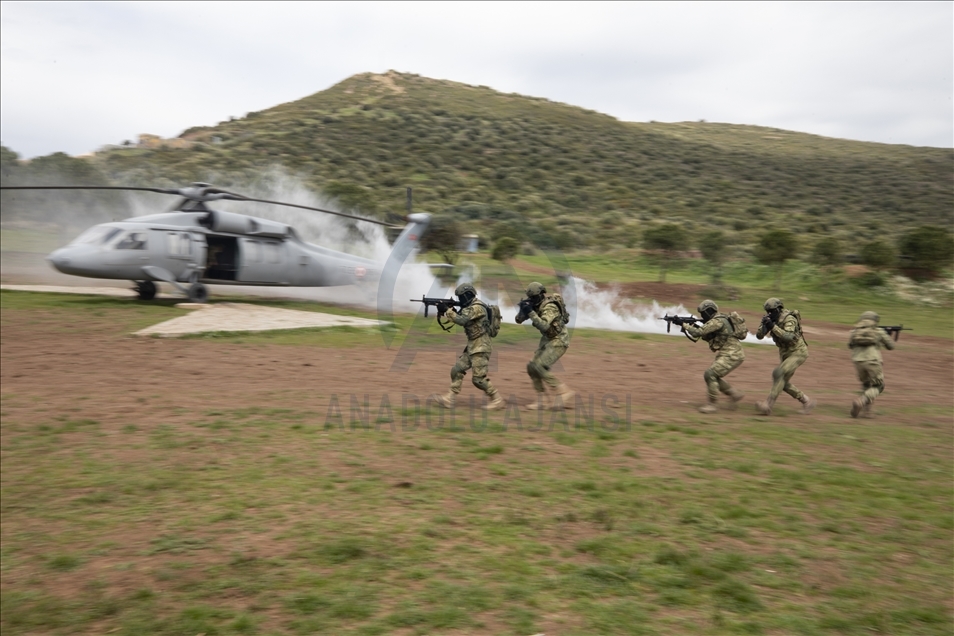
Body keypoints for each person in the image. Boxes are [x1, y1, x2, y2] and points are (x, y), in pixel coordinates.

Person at [433, 283, 504, 410]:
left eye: (461, 297)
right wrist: (450, 311)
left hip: (481, 347)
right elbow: (462, 317)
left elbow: (462, 320)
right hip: (472, 346)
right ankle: (449, 399)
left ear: (468, 295)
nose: (460, 300)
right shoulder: (470, 308)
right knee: (457, 370)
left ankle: (497, 399)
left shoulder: (477, 308)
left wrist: (447, 310)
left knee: (478, 379)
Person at [516, 282, 574, 410]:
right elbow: (518, 320)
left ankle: (563, 391)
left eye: (533, 297)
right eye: (530, 297)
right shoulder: (536, 304)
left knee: (539, 366)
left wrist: (530, 312)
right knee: (531, 367)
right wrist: (523, 310)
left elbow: (544, 325)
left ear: (541, 295)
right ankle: (541, 399)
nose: (532, 299)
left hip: (559, 340)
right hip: (547, 340)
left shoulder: (550, 307)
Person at [681, 299, 746, 413]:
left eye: (703, 313)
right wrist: (691, 326)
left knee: (710, 374)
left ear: (709, 311)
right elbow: (705, 334)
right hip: (730, 353)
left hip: (732, 354)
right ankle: (734, 394)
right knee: (713, 376)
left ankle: (712, 405)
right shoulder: (718, 320)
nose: (702, 316)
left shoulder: (717, 321)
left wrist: (684, 325)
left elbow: (697, 333)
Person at [755, 297, 816, 416]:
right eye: (768, 311)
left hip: (797, 352)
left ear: (779, 309)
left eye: (772, 311)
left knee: (778, 373)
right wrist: (764, 326)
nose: (769, 313)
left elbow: (788, 336)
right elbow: (759, 336)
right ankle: (806, 401)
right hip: (785, 353)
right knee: (782, 382)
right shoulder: (770, 319)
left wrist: (773, 327)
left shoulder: (789, 318)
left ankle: (768, 405)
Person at [847, 311, 895, 418]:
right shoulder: (878, 331)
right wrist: (887, 335)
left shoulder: (855, 331)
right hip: (872, 360)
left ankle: (867, 412)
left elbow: (850, 345)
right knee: (879, 386)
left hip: (858, 361)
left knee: (866, 384)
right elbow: (891, 346)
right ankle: (861, 401)